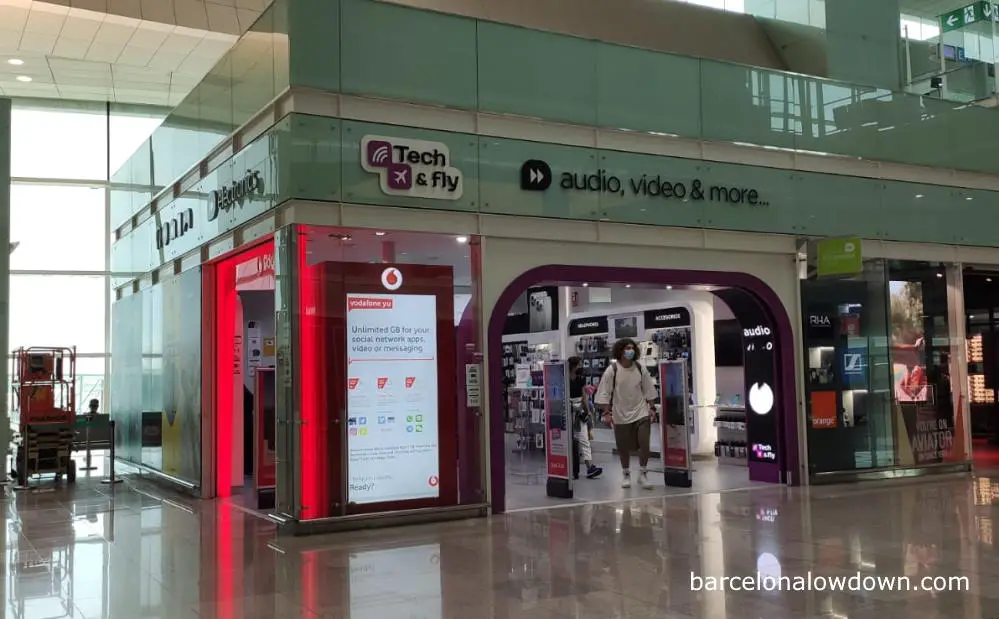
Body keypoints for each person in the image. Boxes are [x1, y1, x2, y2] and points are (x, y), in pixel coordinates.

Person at [595, 338, 657, 489]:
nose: (631, 351)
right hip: (620, 413)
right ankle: (626, 474)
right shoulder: (612, 370)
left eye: (632, 348)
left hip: (641, 411)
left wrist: (652, 408)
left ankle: (643, 473)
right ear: (620, 351)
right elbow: (604, 392)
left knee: (644, 444)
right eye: (627, 348)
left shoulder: (640, 368)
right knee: (623, 447)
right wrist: (607, 413)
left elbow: (649, 389)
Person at [568, 357, 602, 480]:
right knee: (569, 442)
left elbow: (584, 398)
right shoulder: (564, 380)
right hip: (568, 412)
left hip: (579, 413)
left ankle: (589, 467)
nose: (580, 367)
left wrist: (588, 412)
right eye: (579, 365)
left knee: (584, 440)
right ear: (573, 366)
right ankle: (569, 468)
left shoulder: (581, 379)